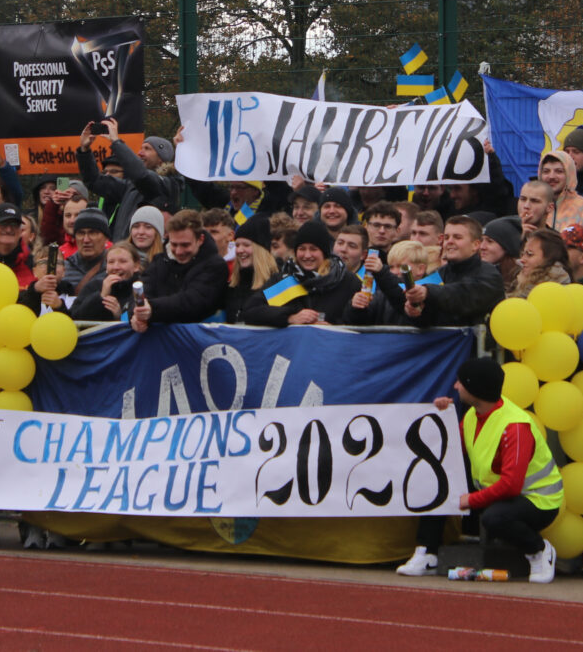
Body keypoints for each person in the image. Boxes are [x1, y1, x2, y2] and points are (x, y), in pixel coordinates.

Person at [396, 357, 564, 583]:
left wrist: (471, 500)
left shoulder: (515, 427)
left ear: (475, 389)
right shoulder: (473, 414)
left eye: (460, 383)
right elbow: (449, 451)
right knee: (436, 477)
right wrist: (441, 415)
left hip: (539, 501)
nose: (455, 386)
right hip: (500, 492)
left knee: (495, 518)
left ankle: (539, 550)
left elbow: (512, 485)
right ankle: (427, 553)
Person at [240, 221, 358, 327]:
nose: (307, 255)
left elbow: (361, 322)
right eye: (302, 249)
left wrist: (333, 328)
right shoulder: (286, 280)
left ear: (324, 253)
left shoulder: (346, 281)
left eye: (313, 249)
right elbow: (251, 311)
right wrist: (290, 318)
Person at [77, 120, 179, 240]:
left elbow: (142, 176)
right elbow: (94, 181)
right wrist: (85, 150)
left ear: (161, 159)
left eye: (147, 149)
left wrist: (116, 142)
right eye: (141, 148)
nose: (140, 153)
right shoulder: (130, 186)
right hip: (122, 253)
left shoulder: (168, 184)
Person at [396, 216, 503, 327]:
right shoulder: (438, 274)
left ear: (475, 245)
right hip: (442, 343)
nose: (450, 242)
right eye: (446, 237)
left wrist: (428, 292)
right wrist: (414, 311)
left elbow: (462, 296)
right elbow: (427, 319)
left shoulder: (490, 274)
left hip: (476, 343)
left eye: (457, 237)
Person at [129, 210, 229, 329]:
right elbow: (139, 295)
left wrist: (151, 309)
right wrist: (136, 317)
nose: (179, 251)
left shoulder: (215, 266)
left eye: (185, 245)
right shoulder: (159, 261)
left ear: (200, 240)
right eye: (174, 245)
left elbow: (193, 302)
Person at [537, 151, 583, 240]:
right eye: (546, 171)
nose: (551, 176)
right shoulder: (534, 207)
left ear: (570, 174)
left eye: (559, 171)